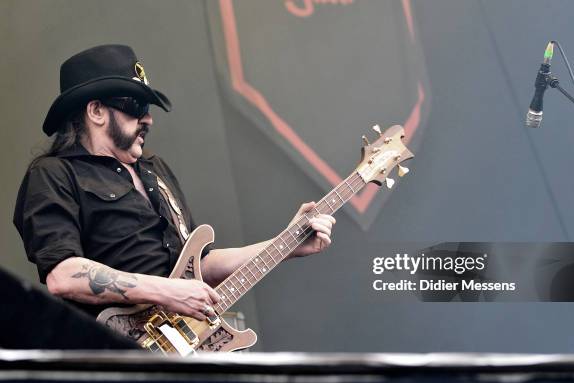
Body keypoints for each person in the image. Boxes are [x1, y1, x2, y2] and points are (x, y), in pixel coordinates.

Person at [13, 44, 335, 322]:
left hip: (181, 344)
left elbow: (200, 266)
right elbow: (64, 275)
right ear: (96, 111)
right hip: (116, 352)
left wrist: (285, 244)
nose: (148, 119)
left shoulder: (154, 168)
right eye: (136, 106)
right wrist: (169, 292)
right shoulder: (54, 173)